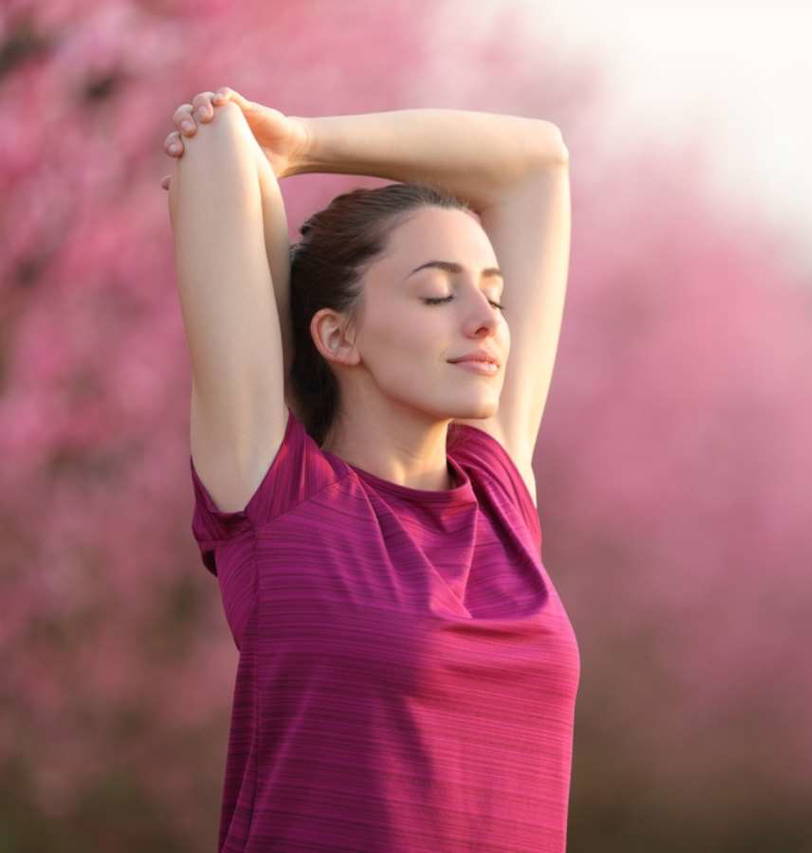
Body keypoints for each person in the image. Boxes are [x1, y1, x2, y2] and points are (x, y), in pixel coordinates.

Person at [162, 87, 578, 852]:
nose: (485, 320)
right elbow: (219, 144)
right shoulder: (281, 499)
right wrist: (244, 140)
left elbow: (538, 164)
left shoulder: (500, 502)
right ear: (337, 336)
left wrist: (303, 142)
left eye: (494, 296)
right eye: (437, 293)